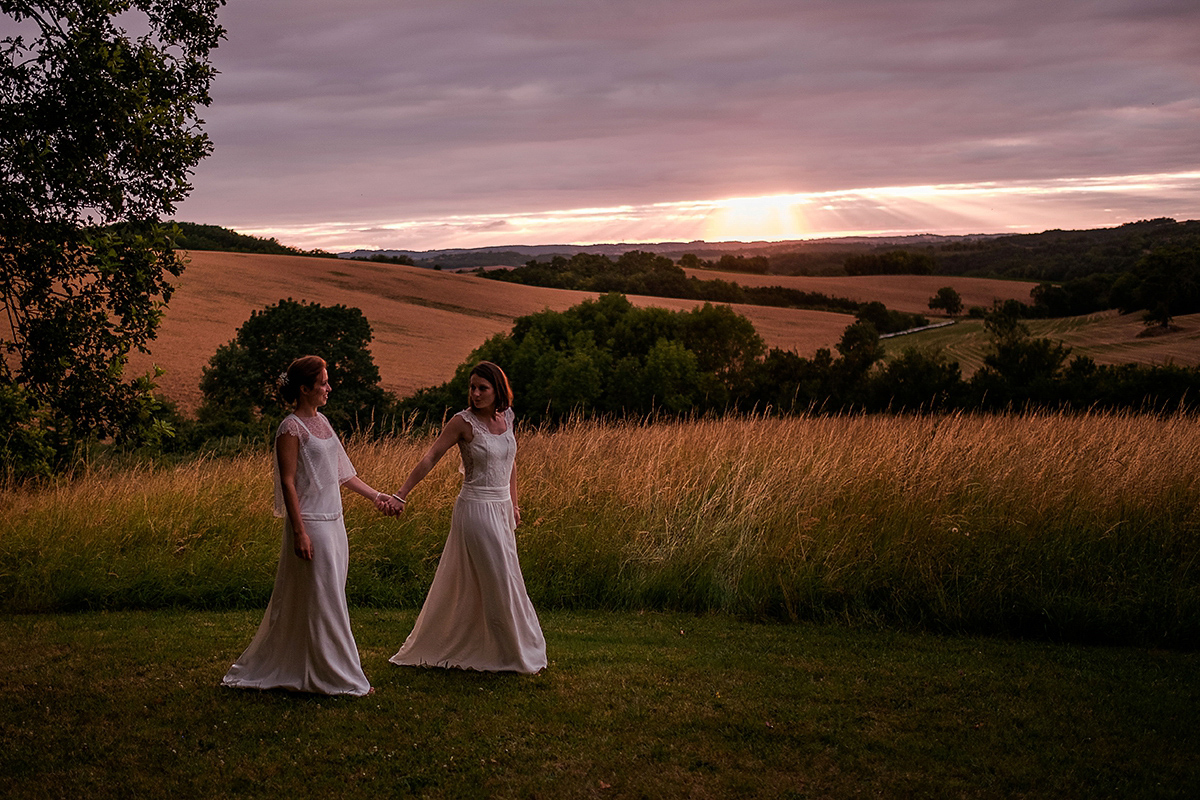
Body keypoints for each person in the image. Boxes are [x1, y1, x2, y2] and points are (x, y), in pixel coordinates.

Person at [222, 355, 397, 696]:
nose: (329, 387)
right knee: (325, 601)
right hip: (311, 525)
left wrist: (377, 496)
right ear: (304, 389)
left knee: (325, 599)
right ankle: (340, 678)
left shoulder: (324, 422)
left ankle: (307, 667)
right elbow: (287, 483)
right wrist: (299, 532)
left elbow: (344, 473)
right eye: (323, 383)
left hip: (335, 524)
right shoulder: (290, 428)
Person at [389, 361, 546, 674]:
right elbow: (431, 456)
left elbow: (511, 463)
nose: (475, 394)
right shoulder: (462, 422)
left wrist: (515, 504)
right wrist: (401, 493)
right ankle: (509, 653)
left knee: (505, 577)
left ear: (497, 390)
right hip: (475, 509)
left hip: (502, 509)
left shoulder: (508, 417)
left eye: (482, 388)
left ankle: (499, 646)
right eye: (472, 387)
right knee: (499, 576)